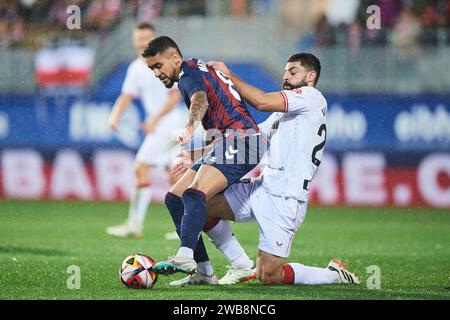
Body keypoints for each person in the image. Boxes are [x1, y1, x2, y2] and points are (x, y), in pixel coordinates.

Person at [177, 53, 359, 286]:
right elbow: (246, 138)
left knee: (270, 276)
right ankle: (240, 264)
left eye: (293, 72)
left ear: (311, 76)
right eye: (285, 71)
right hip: (262, 186)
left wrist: (228, 75)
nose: (285, 76)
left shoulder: (312, 98)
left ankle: (333, 274)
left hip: (286, 197)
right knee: (200, 204)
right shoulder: (284, 113)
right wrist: (195, 155)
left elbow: (261, 101)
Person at [142, 36, 266, 278]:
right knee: (175, 198)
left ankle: (186, 256)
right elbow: (216, 118)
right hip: (230, 141)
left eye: (158, 66)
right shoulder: (198, 68)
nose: (156, 73)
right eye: (151, 69)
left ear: (174, 58)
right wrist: (200, 157)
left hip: (243, 141)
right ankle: (205, 271)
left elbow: (201, 100)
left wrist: (190, 127)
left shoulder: (188, 77)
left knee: (194, 193)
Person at [106, 23, 183, 239]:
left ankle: (135, 224)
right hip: (163, 125)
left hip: (169, 123)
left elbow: (175, 97)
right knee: (174, 175)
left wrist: (154, 121)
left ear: (154, 39)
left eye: (146, 38)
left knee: (141, 168)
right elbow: (126, 96)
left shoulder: (164, 63)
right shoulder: (136, 68)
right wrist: (115, 116)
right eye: (138, 39)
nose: (141, 43)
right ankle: (188, 226)